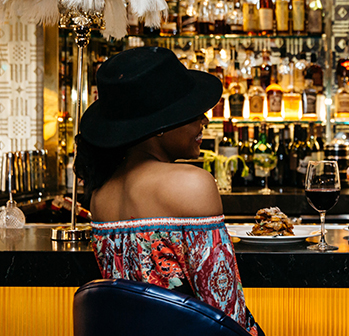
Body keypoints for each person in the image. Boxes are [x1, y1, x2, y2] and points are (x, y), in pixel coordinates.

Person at [74, 46, 263, 335]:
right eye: (192, 111)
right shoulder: (193, 184)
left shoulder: (102, 194)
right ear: (160, 125)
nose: (204, 120)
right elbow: (228, 312)